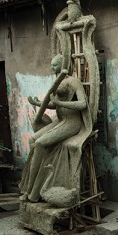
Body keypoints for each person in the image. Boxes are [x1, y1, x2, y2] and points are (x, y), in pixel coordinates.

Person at [20, 54, 92, 204]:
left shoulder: (73, 82)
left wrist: (61, 103)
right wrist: (39, 103)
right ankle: (29, 187)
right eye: (51, 65)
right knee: (34, 140)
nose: (51, 68)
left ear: (62, 64)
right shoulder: (58, 82)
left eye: (54, 65)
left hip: (72, 123)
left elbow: (82, 104)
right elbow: (54, 104)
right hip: (59, 120)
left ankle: (32, 193)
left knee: (40, 144)